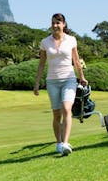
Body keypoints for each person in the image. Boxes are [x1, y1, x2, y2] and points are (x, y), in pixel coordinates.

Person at [33, 13, 87, 156]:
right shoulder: (45, 42)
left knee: (66, 109)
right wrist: (37, 83)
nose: (55, 25)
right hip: (52, 81)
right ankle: (58, 142)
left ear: (64, 24)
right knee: (57, 115)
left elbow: (76, 61)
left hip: (69, 79)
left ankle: (65, 142)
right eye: (53, 23)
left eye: (58, 22)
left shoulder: (71, 40)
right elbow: (41, 64)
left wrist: (81, 77)